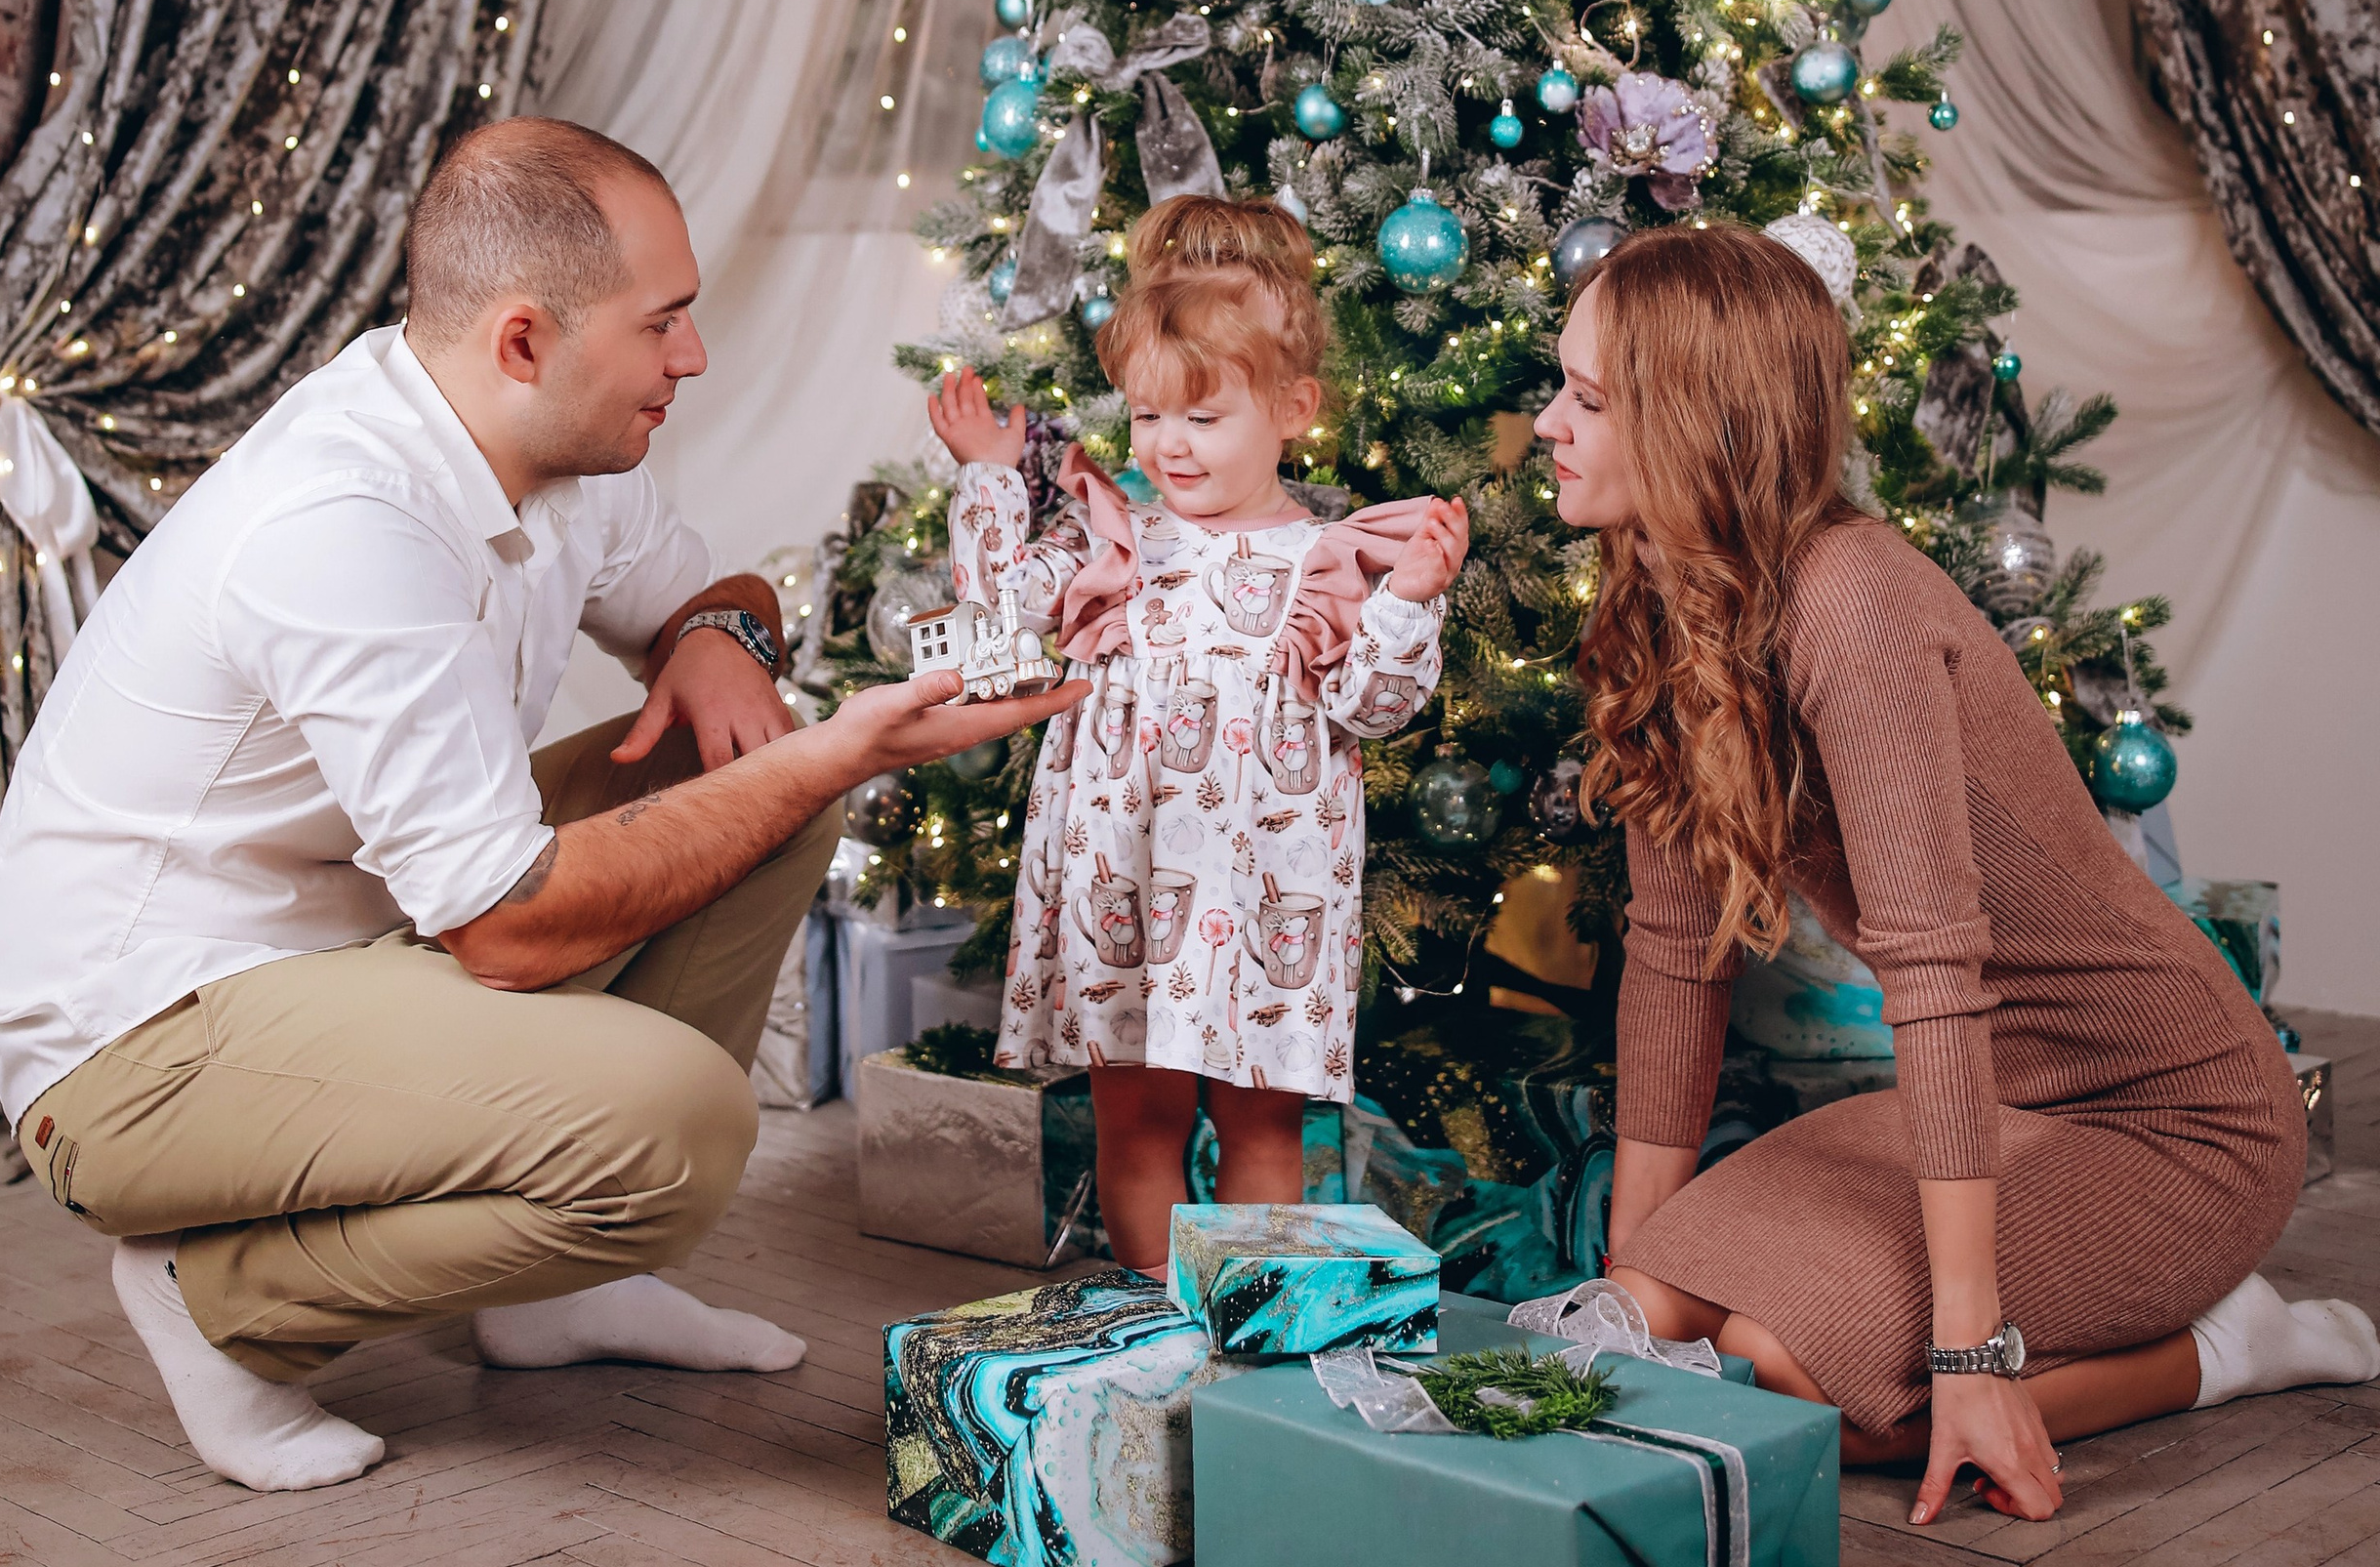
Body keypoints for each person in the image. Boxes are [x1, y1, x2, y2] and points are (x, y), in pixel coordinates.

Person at [0, 118, 1081, 1495]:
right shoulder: (345, 522)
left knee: (742, 770)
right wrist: (831, 755)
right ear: (525, 341)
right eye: (662, 322)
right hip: (131, 1048)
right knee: (678, 1120)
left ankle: (555, 1290)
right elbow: (504, 928)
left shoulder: (541, 448)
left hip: (346, 944)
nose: (693, 357)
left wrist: (725, 641)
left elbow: (714, 594)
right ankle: (218, 1300)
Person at [1534, 224, 2378, 1526]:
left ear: (1699, 424)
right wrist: (1626, 1294)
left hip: (2174, 1121)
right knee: (1661, 1322)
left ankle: (2229, 1347)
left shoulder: (1849, 598)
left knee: (1786, 1375)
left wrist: (1972, 1356)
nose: (1547, 424)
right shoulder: (1668, 598)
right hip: (1990, 1111)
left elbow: (1934, 973)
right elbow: (1675, 957)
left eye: (1588, 400)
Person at [925, 197, 1468, 1272]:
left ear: (1292, 409)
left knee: (1262, 1129)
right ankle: (1156, 1327)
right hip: (1122, 885)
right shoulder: (1106, 539)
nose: (1169, 445)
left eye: (1203, 418)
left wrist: (1409, 599)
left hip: (1268, 894)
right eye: (1147, 416)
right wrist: (988, 472)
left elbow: (1374, 708)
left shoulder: (1332, 558)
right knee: (1137, 1126)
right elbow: (990, 623)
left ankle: (1245, 1336)